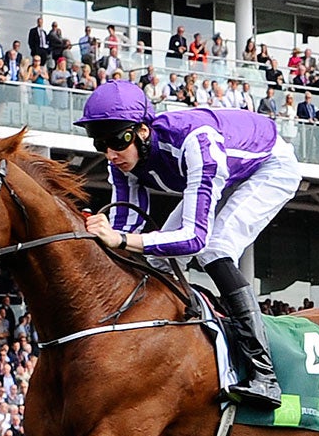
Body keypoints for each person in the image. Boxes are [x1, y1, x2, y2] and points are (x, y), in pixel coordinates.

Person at [74, 80, 302, 409]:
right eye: (100, 144)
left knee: (215, 248)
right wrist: (103, 238)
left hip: (269, 166)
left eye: (117, 140)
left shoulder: (197, 144)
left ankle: (264, 374)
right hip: (231, 168)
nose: (110, 154)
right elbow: (127, 225)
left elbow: (194, 238)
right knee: (156, 262)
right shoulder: (120, 162)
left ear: (141, 131)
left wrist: (121, 239)